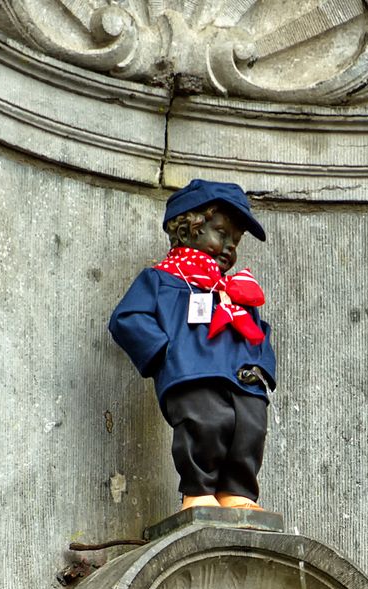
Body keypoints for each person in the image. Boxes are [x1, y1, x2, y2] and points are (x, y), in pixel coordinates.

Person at [109, 179, 275, 511]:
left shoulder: (235, 290)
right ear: (188, 230)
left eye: (236, 240)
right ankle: (198, 491)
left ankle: (237, 491)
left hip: (241, 378)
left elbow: (259, 331)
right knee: (205, 424)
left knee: (250, 427)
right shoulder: (161, 279)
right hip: (191, 373)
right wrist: (165, 353)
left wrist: (261, 369)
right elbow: (127, 318)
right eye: (222, 233)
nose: (230, 246)